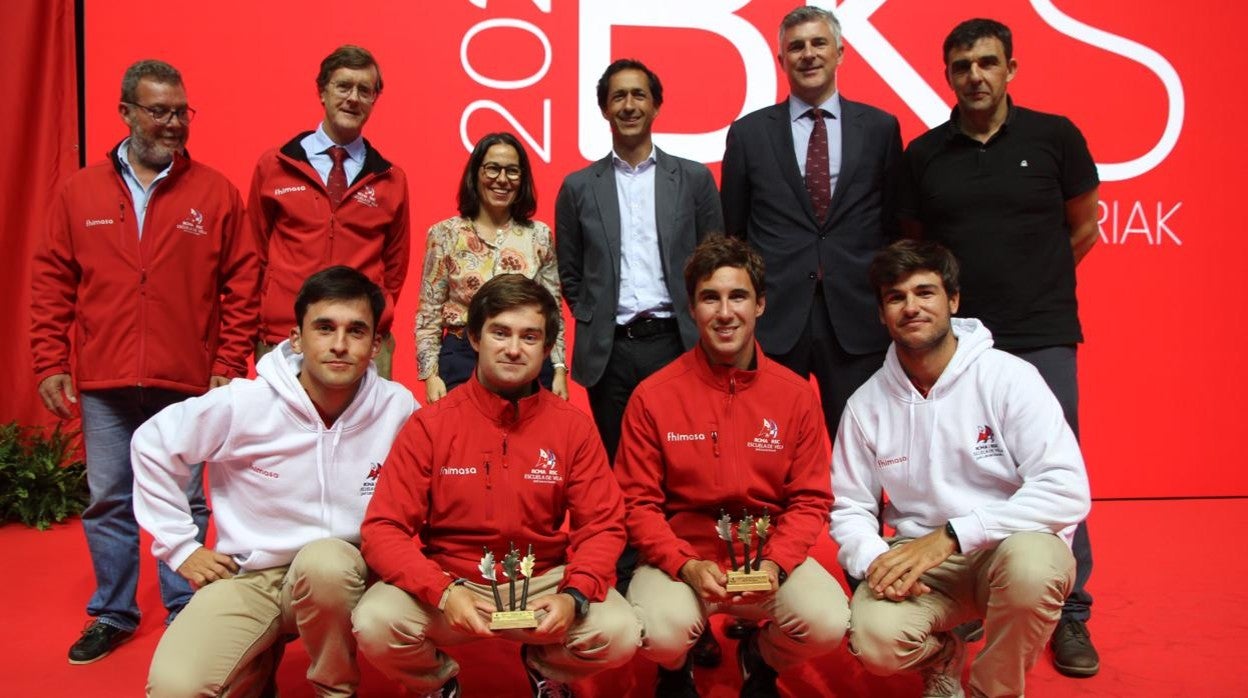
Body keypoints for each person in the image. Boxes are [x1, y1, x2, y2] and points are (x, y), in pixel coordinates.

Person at [29, 59, 257, 666]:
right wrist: (50, 358)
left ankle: (188, 611)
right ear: (126, 112)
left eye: (182, 111)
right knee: (108, 497)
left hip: (185, 379)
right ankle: (113, 611)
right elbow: (52, 280)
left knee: (186, 501)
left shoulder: (215, 192)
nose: (175, 123)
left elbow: (243, 281)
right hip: (103, 379)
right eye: (160, 111)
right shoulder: (79, 192)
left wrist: (229, 361)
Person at [898, 18, 1102, 677]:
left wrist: (1036, 280)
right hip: (958, 344)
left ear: (1011, 68)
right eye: (962, 66)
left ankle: (1069, 617)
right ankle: (978, 596)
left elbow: (1086, 224)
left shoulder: (1055, 138)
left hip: (1041, 331)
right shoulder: (926, 155)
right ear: (948, 74)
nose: (975, 76)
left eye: (988, 63)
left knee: (1052, 467)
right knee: (965, 467)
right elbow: (917, 248)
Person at [133, 266, 417, 696]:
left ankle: (336, 690)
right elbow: (152, 443)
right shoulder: (245, 403)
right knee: (177, 689)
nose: (339, 345)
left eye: (356, 331)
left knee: (327, 562)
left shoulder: (398, 408)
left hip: (352, 575)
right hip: (252, 578)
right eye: (324, 328)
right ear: (296, 338)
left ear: (375, 344)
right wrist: (180, 546)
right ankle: (256, 664)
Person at [354, 274, 640, 698]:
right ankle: (437, 683)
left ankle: (545, 667)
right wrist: (443, 591)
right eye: (500, 332)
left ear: (546, 350)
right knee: (374, 622)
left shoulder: (572, 428)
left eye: (529, 337)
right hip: (453, 583)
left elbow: (603, 525)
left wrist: (575, 596)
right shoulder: (430, 426)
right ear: (474, 337)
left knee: (621, 632)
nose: (512, 348)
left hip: (543, 582)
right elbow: (382, 529)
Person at [831, 240, 1090, 698]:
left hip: (1007, 547)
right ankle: (942, 656)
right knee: (874, 639)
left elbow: (1066, 489)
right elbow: (849, 508)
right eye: (896, 297)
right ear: (882, 313)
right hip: (922, 560)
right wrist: (876, 561)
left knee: (1035, 569)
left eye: (925, 292)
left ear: (952, 300)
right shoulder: (865, 405)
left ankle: (992, 691)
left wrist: (953, 534)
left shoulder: (1009, 378)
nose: (912, 307)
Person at [616, 236, 848, 697]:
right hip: (685, 559)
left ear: (760, 304)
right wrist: (684, 564)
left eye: (738, 296)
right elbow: (636, 503)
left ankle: (760, 656)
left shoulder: (795, 394)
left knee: (828, 622)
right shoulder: (654, 395)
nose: (725, 312)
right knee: (658, 632)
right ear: (692, 308)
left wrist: (778, 564)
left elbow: (810, 499)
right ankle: (675, 667)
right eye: (710, 298)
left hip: (768, 556)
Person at [721, 5, 903, 444]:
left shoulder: (880, 128)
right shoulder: (748, 134)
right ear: (781, 61)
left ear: (840, 52)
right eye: (795, 47)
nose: (808, 54)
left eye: (819, 43)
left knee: (865, 448)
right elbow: (733, 232)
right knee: (767, 444)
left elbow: (895, 227)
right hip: (776, 319)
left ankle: (856, 518)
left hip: (858, 317)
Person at [556, 58, 724, 463]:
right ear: (604, 110)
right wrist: (592, 313)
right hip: (610, 351)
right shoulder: (578, 187)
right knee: (620, 463)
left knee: (683, 461)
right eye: (618, 97)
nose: (629, 105)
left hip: (677, 343)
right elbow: (570, 271)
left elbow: (716, 259)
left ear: (655, 106)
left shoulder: (693, 179)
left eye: (638, 95)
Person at [248, 45, 410, 378]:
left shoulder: (391, 179)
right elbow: (254, 253)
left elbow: (394, 268)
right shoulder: (275, 165)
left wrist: (374, 319)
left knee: (367, 433)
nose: (353, 98)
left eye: (365, 90)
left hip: (360, 340)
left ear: (374, 100)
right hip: (283, 336)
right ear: (323, 91)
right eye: (344, 86)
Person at [415, 131, 568, 403]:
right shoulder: (445, 234)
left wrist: (558, 370)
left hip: (524, 357)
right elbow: (429, 312)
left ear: (522, 180)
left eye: (512, 171)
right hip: (462, 357)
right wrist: (431, 375)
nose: (502, 179)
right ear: (476, 174)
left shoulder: (539, 236)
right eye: (492, 169)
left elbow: (553, 311)